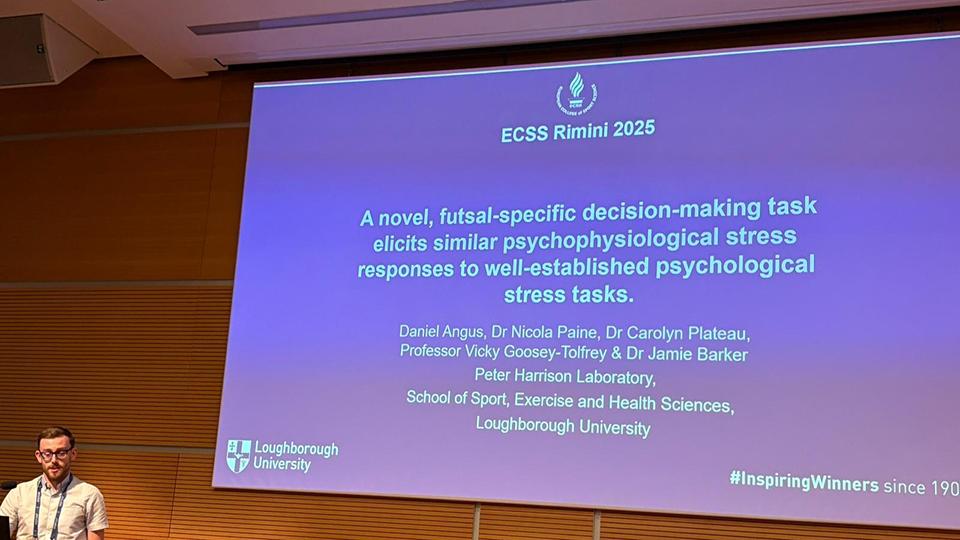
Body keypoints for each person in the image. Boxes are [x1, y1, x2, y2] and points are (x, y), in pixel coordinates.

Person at [0, 427, 108, 540]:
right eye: (47, 454)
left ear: (73, 454)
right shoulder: (19, 493)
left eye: (61, 453)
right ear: (38, 456)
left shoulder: (90, 494)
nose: (54, 460)